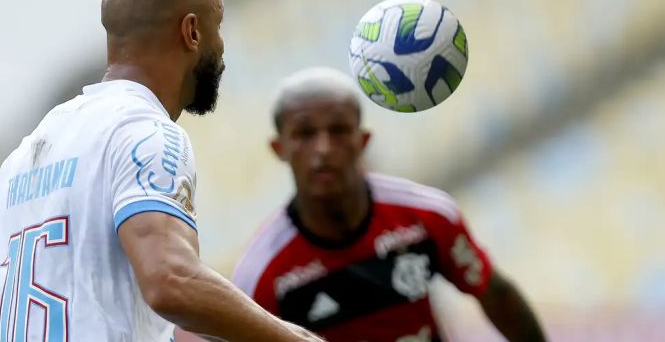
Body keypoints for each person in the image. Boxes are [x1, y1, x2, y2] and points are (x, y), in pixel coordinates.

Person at [0, 0, 323, 342]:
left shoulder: (29, 151)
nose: (221, 46)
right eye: (219, 28)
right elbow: (172, 282)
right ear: (192, 32)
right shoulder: (146, 131)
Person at [230, 67, 546, 342]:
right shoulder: (260, 272)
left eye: (339, 130)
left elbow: (498, 297)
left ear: (362, 141)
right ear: (279, 148)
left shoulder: (427, 216)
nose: (323, 149)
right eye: (305, 134)